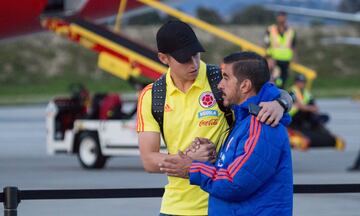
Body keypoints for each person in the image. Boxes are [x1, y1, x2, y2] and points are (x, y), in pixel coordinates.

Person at [137, 20, 292, 216]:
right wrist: (189, 160)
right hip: (174, 207)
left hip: (219, 204)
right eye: (184, 59)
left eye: (195, 54)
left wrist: (282, 103)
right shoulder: (152, 96)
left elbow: (269, 91)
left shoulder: (220, 79)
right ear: (163, 58)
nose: (193, 64)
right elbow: (149, 160)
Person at [289, 74, 345, 150]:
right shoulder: (292, 91)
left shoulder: (306, 93)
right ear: (296, 82)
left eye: (303, 82)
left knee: (321, 117)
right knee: (304, 113)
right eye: (299, 82)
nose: (301, 84)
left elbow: (315, 107)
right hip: (293, 118)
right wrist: (309, 108)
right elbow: (300, 106)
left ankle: (324, 132)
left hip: (303, 116)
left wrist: (310, 109)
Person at [264, 11, 296, 88]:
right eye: (280, 16)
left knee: (283, 80)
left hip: (286, 59)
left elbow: (293, 46)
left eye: (283, 16)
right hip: (274, 59)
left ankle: (280, 96)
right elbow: (267, 44)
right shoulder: (270, 29)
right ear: (277, 18)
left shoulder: (291, 31)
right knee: (275, 78)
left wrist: (294, 58)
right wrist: (269, 57)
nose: (281, 18)